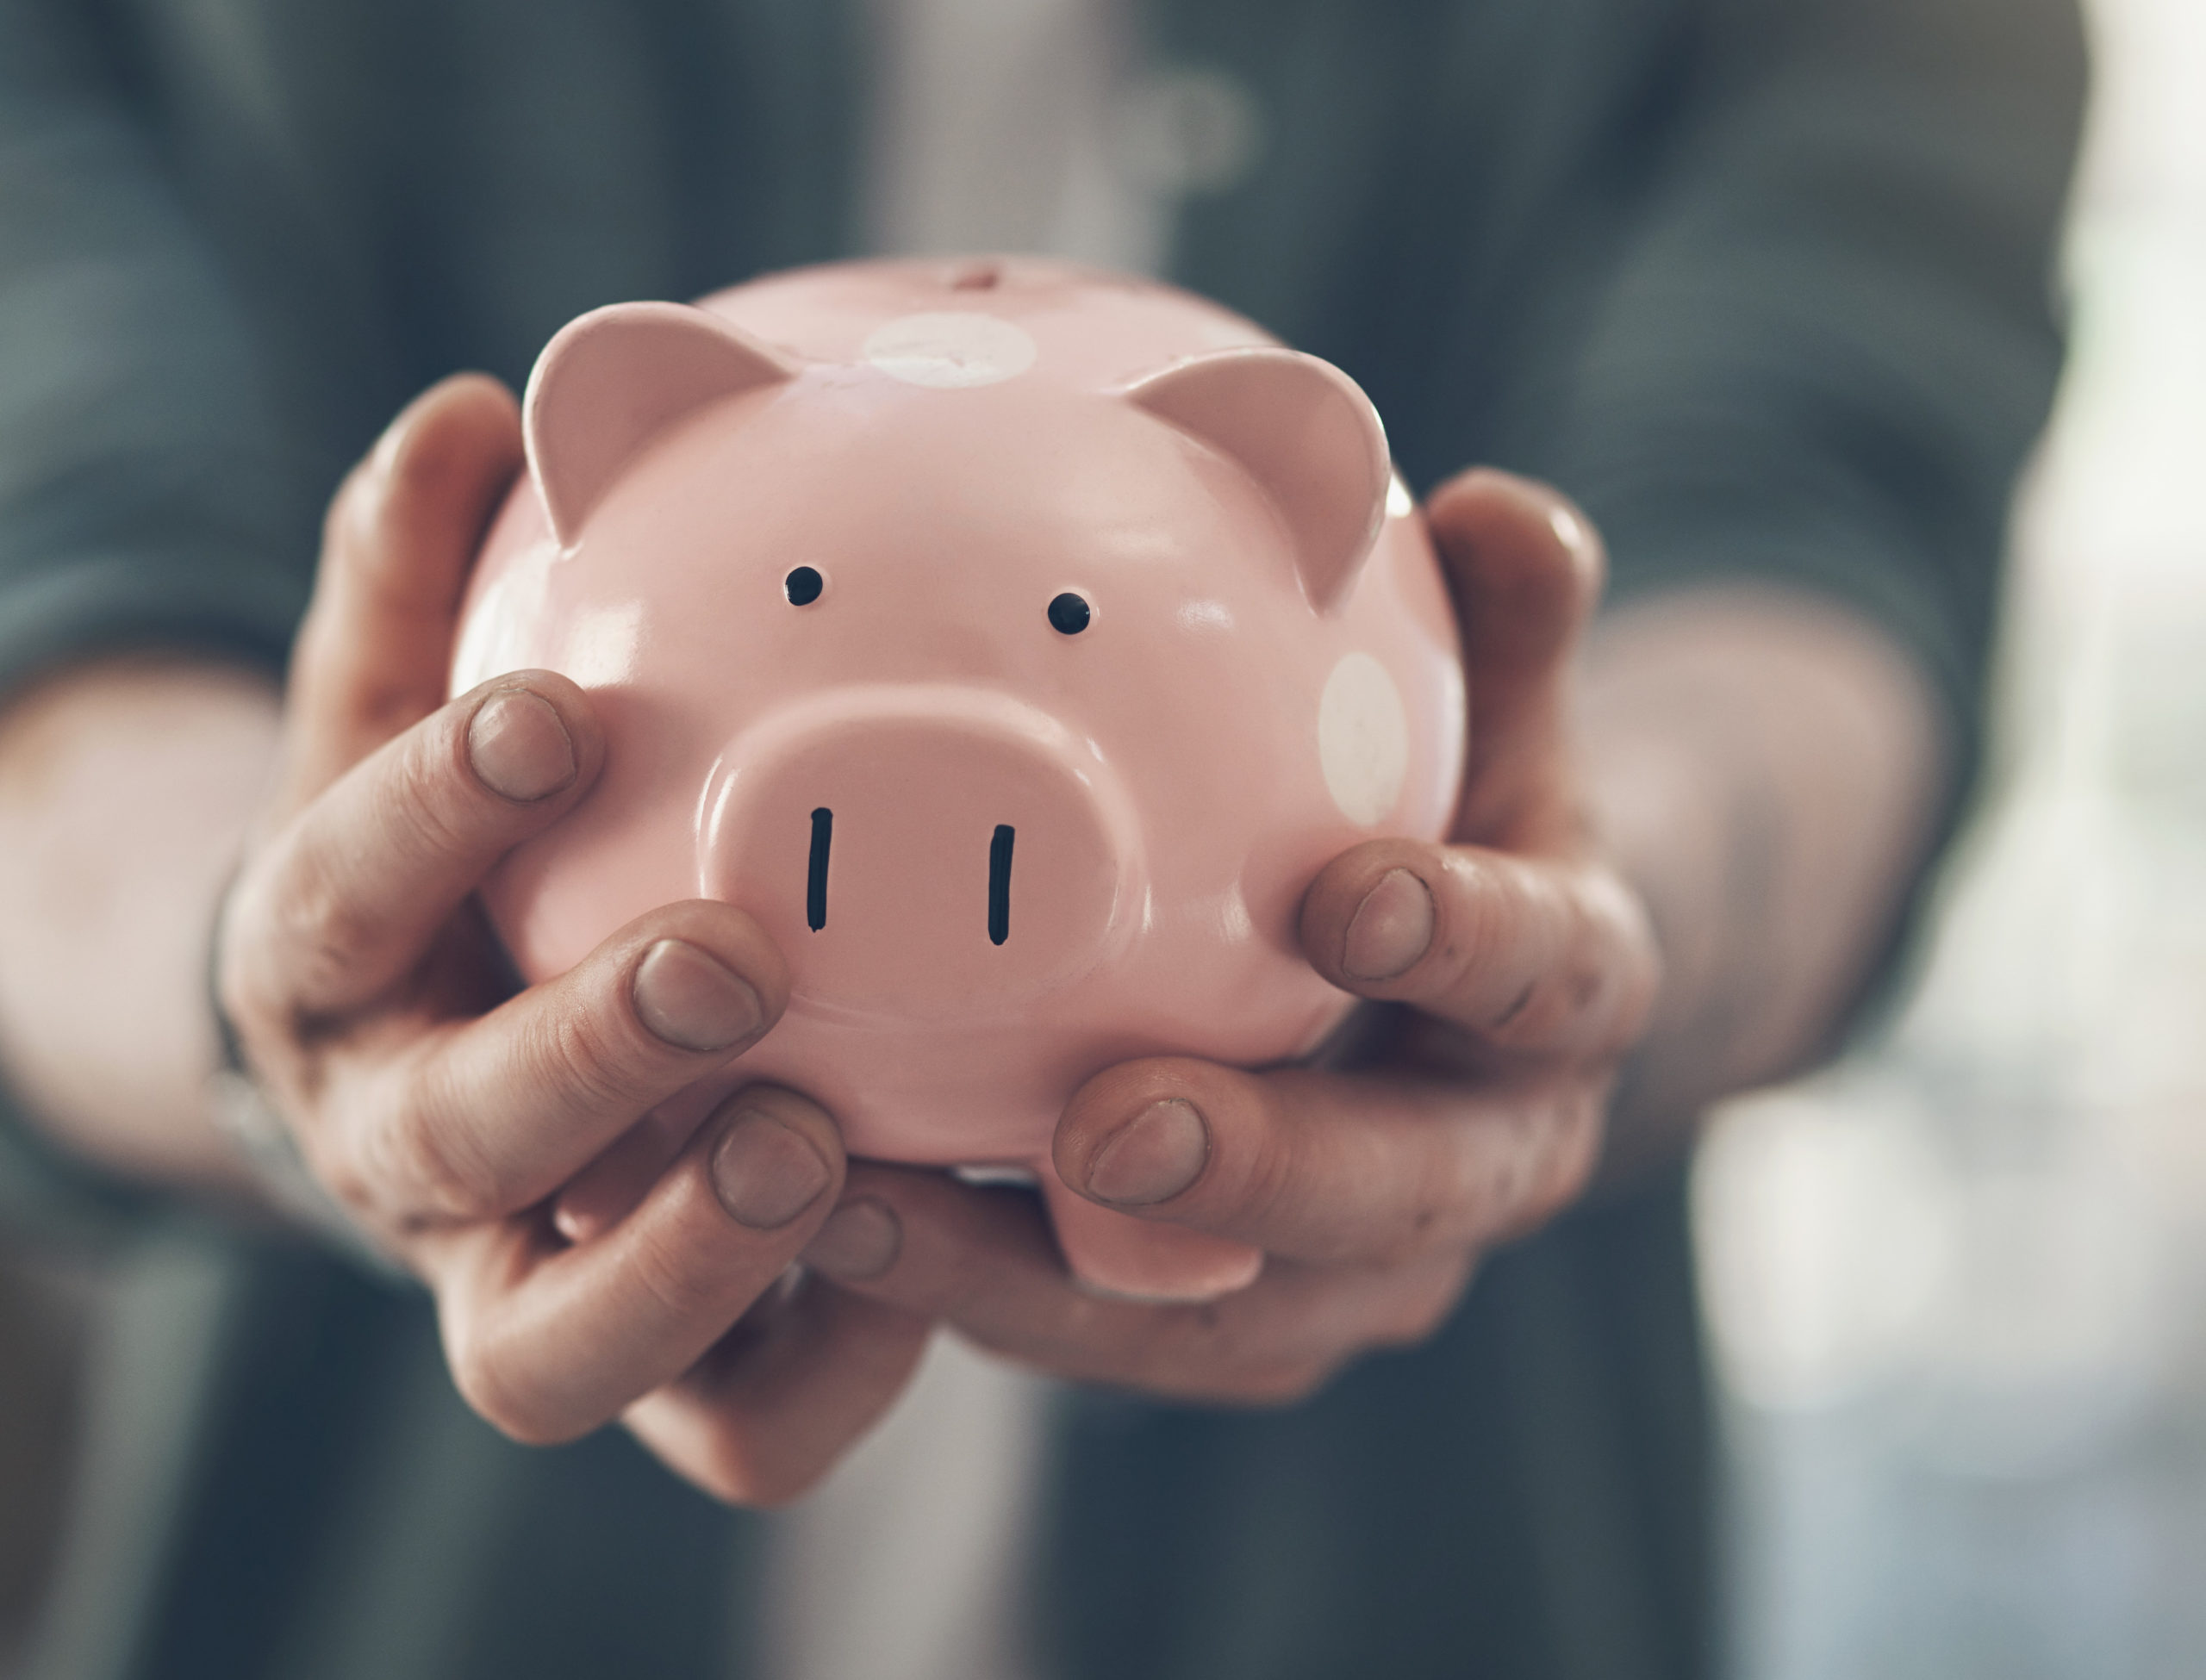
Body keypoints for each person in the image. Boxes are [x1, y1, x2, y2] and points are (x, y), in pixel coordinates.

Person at [0, 1, 2084, 1677]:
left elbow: (1820, 494)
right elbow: (52, 512)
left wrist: (1582, 916)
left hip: (1430, 1563)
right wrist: (264, 970)